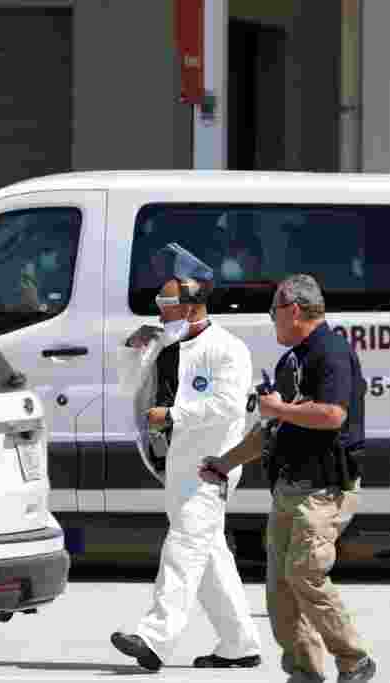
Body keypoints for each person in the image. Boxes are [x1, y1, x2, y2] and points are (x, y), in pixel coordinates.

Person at [200, 274, 376, 683]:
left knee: (305, 573)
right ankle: (304, 673)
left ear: (293, 310)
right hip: (289, 486)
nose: (271, 320)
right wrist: (225, 463)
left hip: (323, 488)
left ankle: (354, 660)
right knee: (280, 591)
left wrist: (280, 410)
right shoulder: (291, 361)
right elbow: (272, 431)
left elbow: (333, 414)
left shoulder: (331, 354)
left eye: (272, 312)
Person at [110, 243, 263, 672]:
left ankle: (154, 638)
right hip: (175, 465)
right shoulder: (164, 346)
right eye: (158, 303)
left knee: (183, 549)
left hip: (211, 467)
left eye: (167, 304)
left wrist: (174, 415)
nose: (159, 312)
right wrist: (133, 348)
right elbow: (128, 388)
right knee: (209, 553)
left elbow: (230, 406)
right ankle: (240, 643)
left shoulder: (227, 349)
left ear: (193, 306)